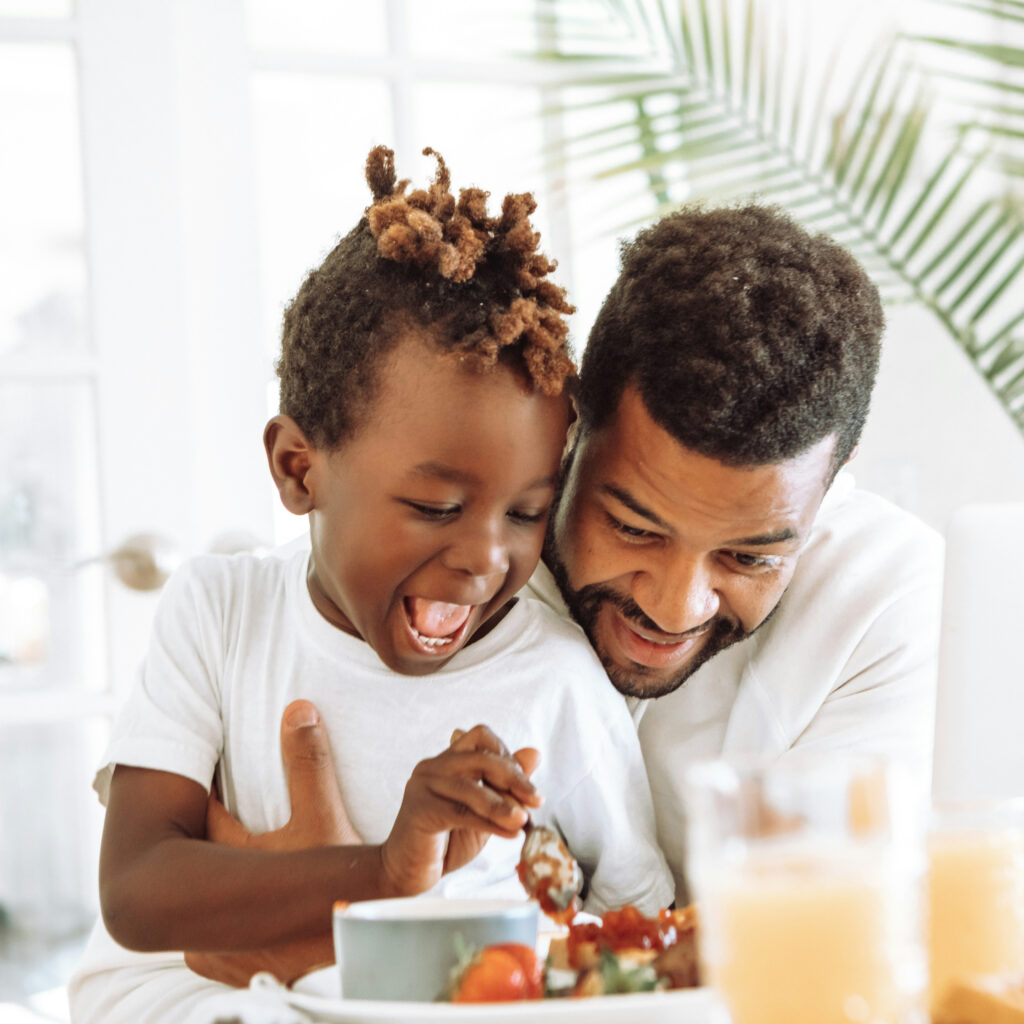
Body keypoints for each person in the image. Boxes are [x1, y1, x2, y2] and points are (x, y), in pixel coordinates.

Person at [68, 146, 673, 1024]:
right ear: (298, 469)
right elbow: (136, 889)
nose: (483, 560)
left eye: (525, 512)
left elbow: (638, 931)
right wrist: (388, 870)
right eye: (435, 505)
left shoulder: (553, 677)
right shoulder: (222, 614)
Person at [231, 199, 943, 929]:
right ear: (571, 427)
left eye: (749, 557)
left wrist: (301, 935)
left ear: (832, 482)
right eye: (634, 528)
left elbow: (819, 952)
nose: (675, 608)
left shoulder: (881, 595)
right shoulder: (421, 589)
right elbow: (143, 961)